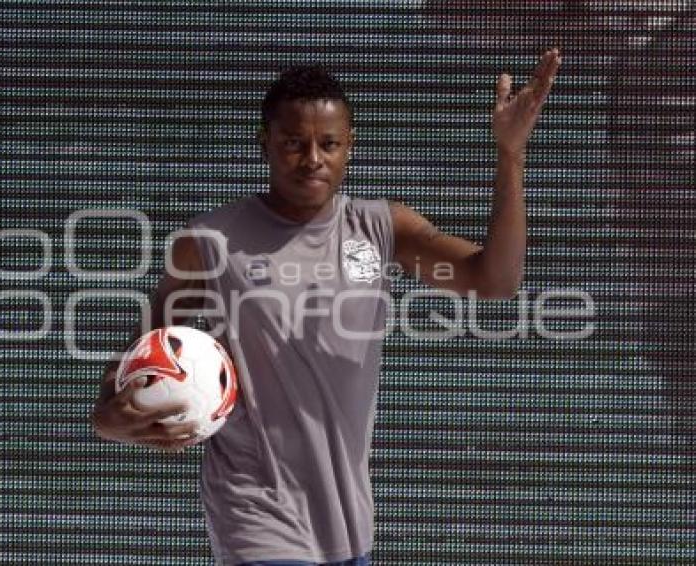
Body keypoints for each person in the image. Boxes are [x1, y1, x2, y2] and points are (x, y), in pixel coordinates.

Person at [90, 50, 562, 565]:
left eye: (329, 143)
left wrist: (512, 155)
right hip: (253, 511)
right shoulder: (209, 242)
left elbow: (494, 280)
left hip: (347, 522)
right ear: (265, 143)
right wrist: (110, 421)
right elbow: (139, 360)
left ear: (348, 148)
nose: (312, 157)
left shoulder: (382, 229)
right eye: (294, 142)